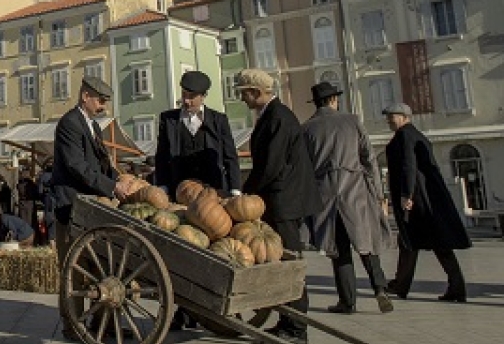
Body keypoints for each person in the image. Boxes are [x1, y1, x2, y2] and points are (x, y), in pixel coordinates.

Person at [237, 69, 321, 344]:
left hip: (285, 201)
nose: (242, 98)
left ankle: (297, 328)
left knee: (289, 263)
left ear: (256, 92)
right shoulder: (272, 115)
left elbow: (271, 165)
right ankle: (288, 320)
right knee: (283, 261)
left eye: (244, 93)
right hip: (283, 200)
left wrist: (246, 193)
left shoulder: (278, 117)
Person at [51, 76, 139, 339]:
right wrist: (112, 187)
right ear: (85, 96)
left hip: (93, 209)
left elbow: (101, 166)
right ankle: (72, 325)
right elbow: (77, 166)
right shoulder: (69, 123)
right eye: (100, 100)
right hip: (72, 206)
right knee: (74, 269)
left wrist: (121, 180)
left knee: (100, 267)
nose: (103, 106)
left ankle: (105, 322)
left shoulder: (94, 127)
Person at [154, 70, 241, 331]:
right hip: (180, 196)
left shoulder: (218, 120)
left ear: (203, 96)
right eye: (184, 94)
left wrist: (235, 191)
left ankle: (220, 307)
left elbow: (230, 156)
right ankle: (183, 310)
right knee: (182, 252)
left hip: (212, 198)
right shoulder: (168, 119)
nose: (187, 100)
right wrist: (162, 187)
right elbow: (161, 156)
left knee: (213, 251)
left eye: (192, 96)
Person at [301, 82, 394, 314]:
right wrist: (378, 193)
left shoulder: (307, 129)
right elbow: (369, 159)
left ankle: (347, 300)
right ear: (334, 99)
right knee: (366, 242)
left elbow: (304, 168)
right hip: (355, 188)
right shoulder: (352, 121)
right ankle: (380, 288)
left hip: (325, 191)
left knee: (338, 249)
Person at [382, 103, 470, 303]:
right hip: (427, 198)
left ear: (404, 116)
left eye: (391, 116)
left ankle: (402, 285)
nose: (388, 120)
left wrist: (406, 194)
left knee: (411, 240)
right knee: (431, 242)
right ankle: (455, 286)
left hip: (418, 199)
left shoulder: (405, 135)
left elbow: (409, 164)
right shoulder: (416, 135)